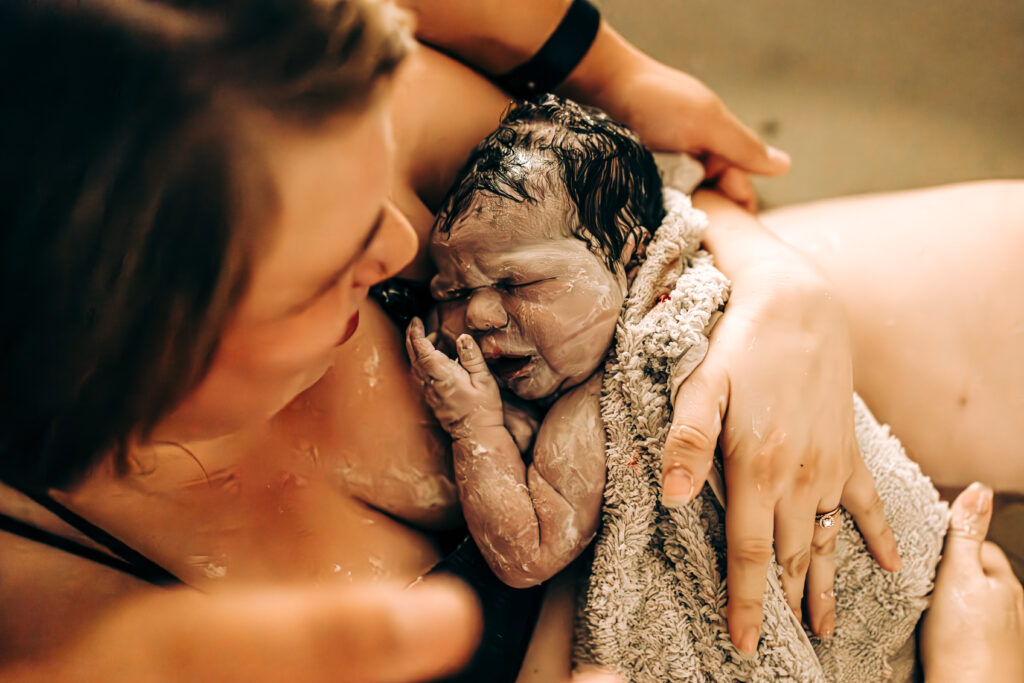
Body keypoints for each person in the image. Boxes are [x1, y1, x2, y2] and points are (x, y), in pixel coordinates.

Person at [0, 1, 1019, 681]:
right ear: (124, 358)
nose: (407, 244)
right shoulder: (56, 603)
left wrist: (776, 293)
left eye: (388, 192)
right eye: (327, 270)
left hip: (676, 383)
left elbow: (636, 221)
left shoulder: (268, 96)